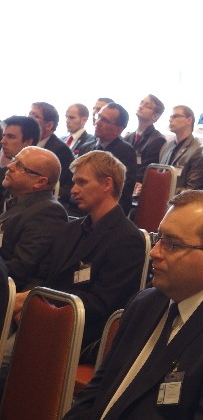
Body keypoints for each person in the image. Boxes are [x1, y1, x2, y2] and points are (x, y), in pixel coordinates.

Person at [64, 191, 203, 420]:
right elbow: (96, 394)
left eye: (171, 244)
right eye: (158, 238)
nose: (154, 252)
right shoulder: (145, 303)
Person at [11, 150, 146, 363]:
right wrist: (29, 302)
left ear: (107, 184)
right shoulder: (71, 229)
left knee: (6, 360)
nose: (73, 190)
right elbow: (43, 273)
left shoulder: (127, 239)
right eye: (74, 182)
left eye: (82, 182)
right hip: (44, 319)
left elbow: (101, 304)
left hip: (81, 335)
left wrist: (37, 300)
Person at [0, 146, 68, 292]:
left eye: (19, 165)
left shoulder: (49, 212)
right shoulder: (19, 202)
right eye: (13, 160)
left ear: (40, 182)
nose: (10, 166)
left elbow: (20, 269)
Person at [79, 103, 137, 215]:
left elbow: (122, 193)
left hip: (106, 212)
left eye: (104, 120)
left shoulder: (126, 152)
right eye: (98, 117)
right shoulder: (86, 147)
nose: (97, 122)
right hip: (79, 205)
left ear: (118, 129)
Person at [29, 101, 74, 203]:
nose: (29, 120)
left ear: (49, 125)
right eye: (29, 114)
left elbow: (63, 188)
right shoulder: (25, 142)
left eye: (35, 116)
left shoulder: (61, 150)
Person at [157, 105, 203, 192]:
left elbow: (192, 190)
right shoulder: (166, 146)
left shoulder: (198, 150)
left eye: (175, 116)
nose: (170, 120)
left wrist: (162, 189)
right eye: (170, 117)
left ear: (189, 120)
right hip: (158, 200)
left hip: (180, 203)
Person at [125, 95, 166, 186]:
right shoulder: (128, 137)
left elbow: (146, 171)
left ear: (155, 116)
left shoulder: (157, 140)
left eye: (147, 106)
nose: (141, 106)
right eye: (141, 103)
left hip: (138, 186)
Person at [0, 116, 41, 209]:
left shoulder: (37, 176)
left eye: (10, 137)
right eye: (4, 135)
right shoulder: (4, 171)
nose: (3, 141)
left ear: (28, 142)